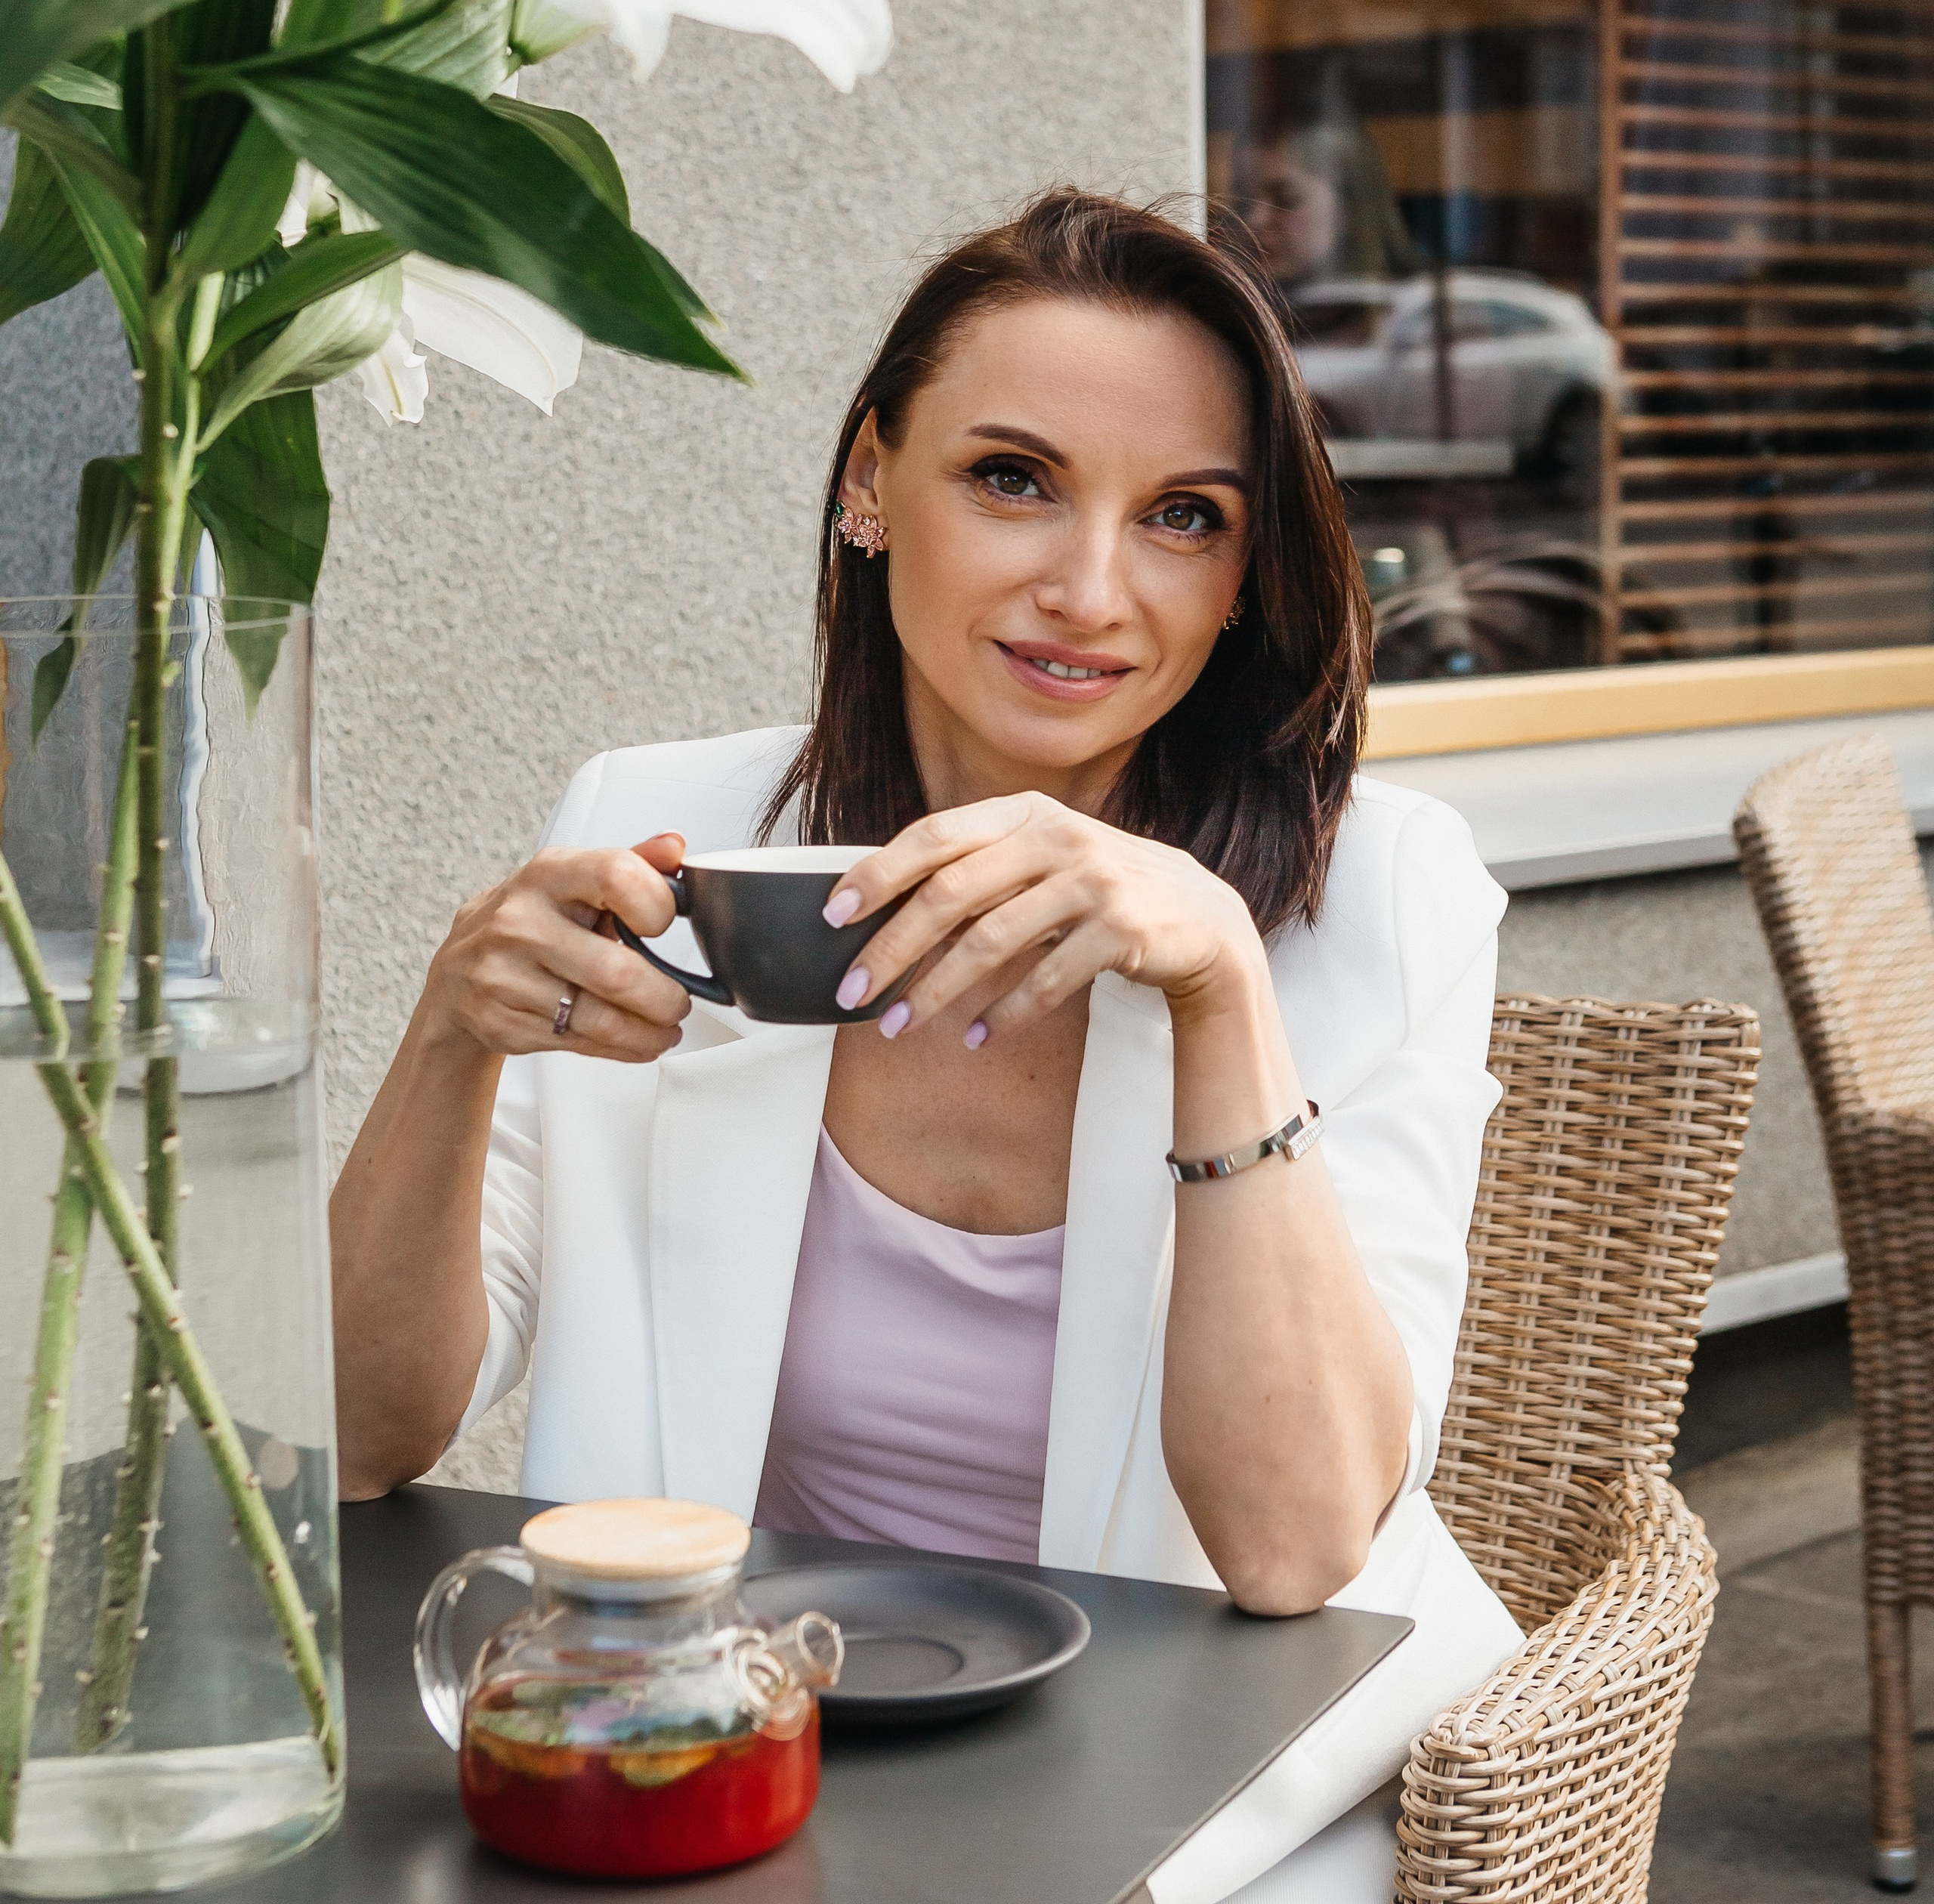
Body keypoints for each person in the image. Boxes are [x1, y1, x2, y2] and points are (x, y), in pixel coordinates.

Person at [329, 189, 1522, 1901]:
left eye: (1181, 516)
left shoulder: (1371, 900)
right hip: (723, 1752)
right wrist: (447, 1038)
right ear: (868, 482)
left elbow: (1293, 1547)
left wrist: (1212, 991)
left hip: (1213, 1783)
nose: (1090, 590)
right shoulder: (670, 844)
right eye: (1012, 477)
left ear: (1243, 570)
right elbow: (365, 1438)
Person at [1224, 121, 1418, 295]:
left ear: (1348, 208)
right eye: (1242, 200)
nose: (1253, 220)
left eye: (1285, 199)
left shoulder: (1420, 314)